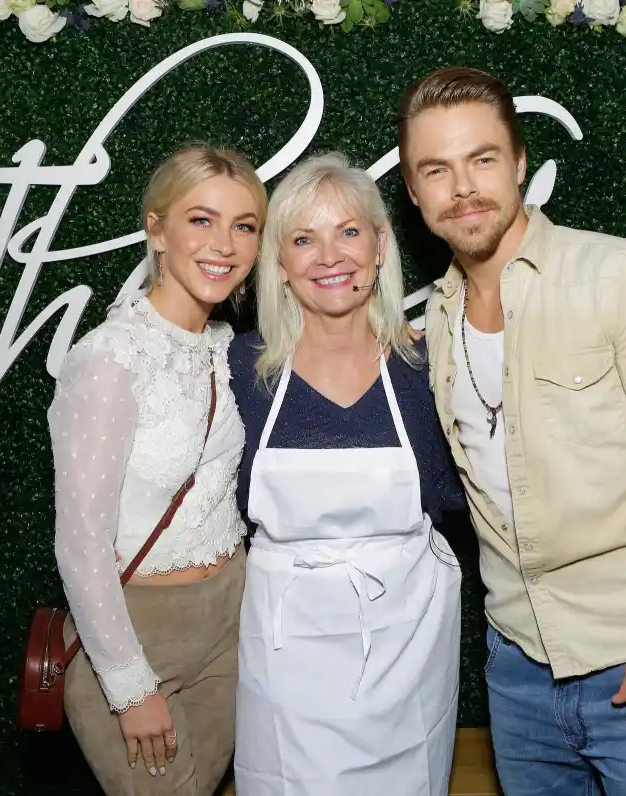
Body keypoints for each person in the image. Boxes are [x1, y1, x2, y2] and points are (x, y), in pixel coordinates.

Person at [395, 67, 626, 796]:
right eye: (436, 169)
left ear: (521, 162)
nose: (462, 187)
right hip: (517, 677)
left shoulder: (620, 275)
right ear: (411, 190)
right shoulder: (435, 315)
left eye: (483, 160)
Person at [228, 152, 464, 796]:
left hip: (408, 647)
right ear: (279, 262)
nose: (329, 256)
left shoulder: (427, 366)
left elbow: (468, 496)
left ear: (381, 245)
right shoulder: (239, 371)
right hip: (287, 656)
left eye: (349, 232)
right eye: (304, 238)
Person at [48, 144, 266, 796]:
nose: (223, 243)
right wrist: (127, 683)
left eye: (245, 225)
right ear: (156, 227)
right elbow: (81, 541)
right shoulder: (109, 358)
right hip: (138, 631)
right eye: (201, 219)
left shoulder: (230, 349)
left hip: (230, 621)